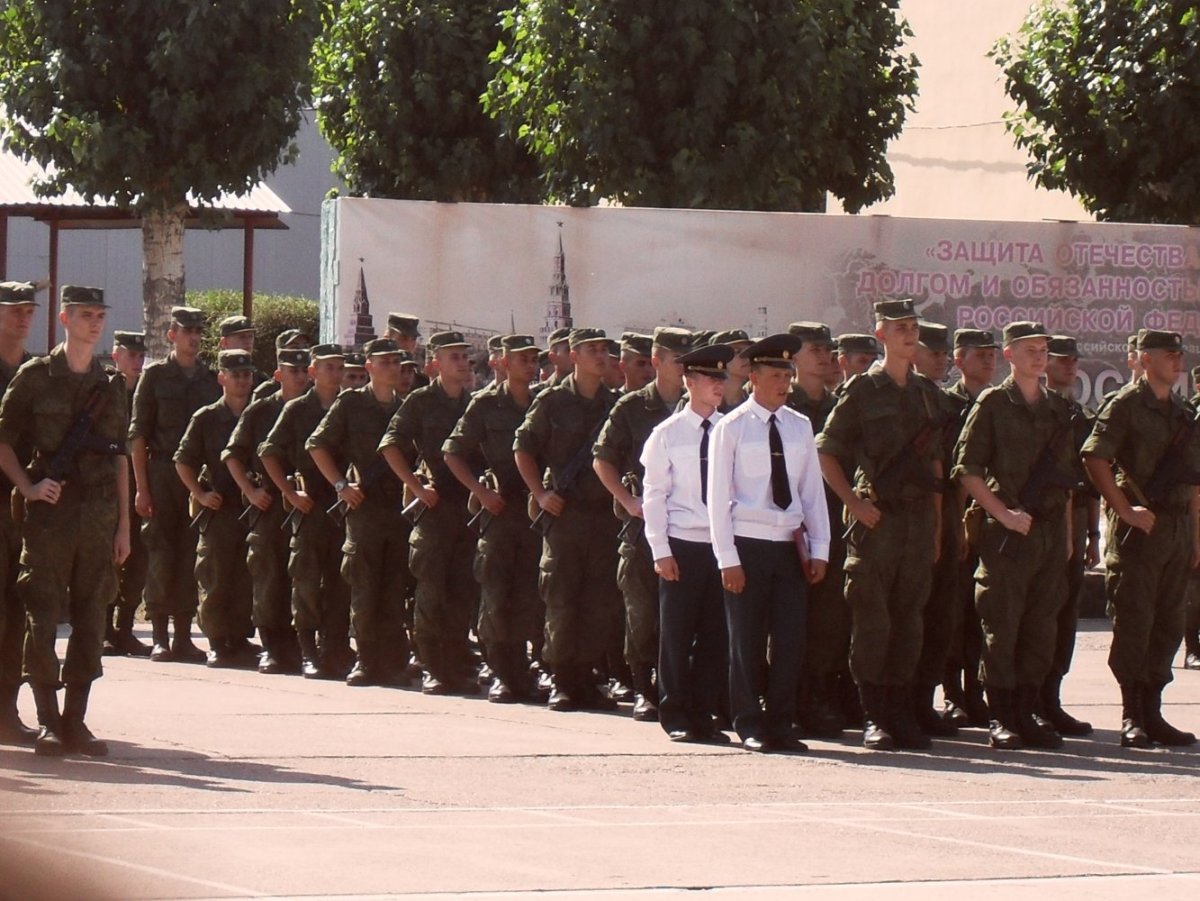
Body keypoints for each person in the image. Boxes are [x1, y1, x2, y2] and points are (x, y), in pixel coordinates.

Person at [0, 285, 130, 757]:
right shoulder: (36, 376)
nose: (94, 322)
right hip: (51, 517)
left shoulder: (112, 384)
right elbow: (4, 440)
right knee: (41, 615)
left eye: (99, 314)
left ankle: (77, 718)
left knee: (94, 614)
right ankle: (48, 719)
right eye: (85, 314)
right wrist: (27, 486)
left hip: (97, 516)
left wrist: (123, 527)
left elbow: (121, 458)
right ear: (64, 319)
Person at [817, 299, 945, 751]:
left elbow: (934, 465)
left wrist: (935, 528)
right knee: (873, 621)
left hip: (916, 521)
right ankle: (874, 716)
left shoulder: (928, 393)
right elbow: (827, 451)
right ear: (881, 335)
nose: (910, 334)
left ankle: (901, 712)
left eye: (913, 327)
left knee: (910, 620)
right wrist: (853, 502)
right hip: (878, 522)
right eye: (900, 327)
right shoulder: (862, 391)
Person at [953, 322, 1078, 750]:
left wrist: (1064, 537)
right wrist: (1003, 514)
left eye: (1043, 349)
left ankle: (1027, 711)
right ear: (1009, 354)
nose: (1039, 356)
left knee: (1041, 627)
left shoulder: (1057, 410)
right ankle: (1001, 716)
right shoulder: (993, 403)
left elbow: (1063, 482)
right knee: (1001, 627)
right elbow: (967, 471)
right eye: (1029, 349)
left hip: (1044, 534)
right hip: (1006, 536)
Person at [709, 333, 830, 753]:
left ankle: (781, 720)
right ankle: (749, 722)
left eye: (787, 374)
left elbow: (812, 493)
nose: (785, 382)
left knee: (790, 638)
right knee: (746, 639)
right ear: (753, 379)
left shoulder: (800, 426)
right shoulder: (732, 427)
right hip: (748, 543)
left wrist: (820, 550)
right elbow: (718, 498)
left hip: (787, 545)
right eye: (776, 375)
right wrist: (727, 558)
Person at [1082, 328, 1198, 748]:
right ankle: (1132, 713)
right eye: (1169, 354)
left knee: (1169, 623)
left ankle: (1154, 710)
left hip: (1177, 529)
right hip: (1139, 533)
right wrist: (1125, 509)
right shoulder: (1126, 405)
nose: (1177, 361)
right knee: (1135, 621)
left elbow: (1193, 482)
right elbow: (1095, 457)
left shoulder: (1183, 412)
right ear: (1145, 359)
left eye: (1179, 354)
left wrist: (1196, 537)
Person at [514, 327, 622, 711]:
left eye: (604, 350)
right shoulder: (553, 401)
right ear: (573, 356)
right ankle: (561, 678)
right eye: (591, 350)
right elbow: (523, 449)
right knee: (560, 598)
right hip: (566, 516)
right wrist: (540, 494)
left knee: (598, 601)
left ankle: (586, 677)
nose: (600, 356)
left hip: (603, 518)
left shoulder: (615, 404)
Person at [594, 327, 693, 721]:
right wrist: (627, 500)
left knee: (684, 613)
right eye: (676, 359)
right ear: (657, 361)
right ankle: (643, 686)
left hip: (688, 527)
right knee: (643, 612)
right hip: (643, 530)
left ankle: (679, 687)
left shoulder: (697, 406)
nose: (684, 367)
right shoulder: (632, 407)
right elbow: (603, 459)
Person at [641, 342, 736, 743]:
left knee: (717, 634)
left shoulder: (730, 429)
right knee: (677, 635)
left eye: (722, 378)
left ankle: (705, 711)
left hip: (721, 547)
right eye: (711, 379)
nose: (719, 386)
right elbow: (654, 494)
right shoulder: (667, 434)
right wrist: (660, 550)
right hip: (682, 544)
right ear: (690, 381)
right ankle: (676, 712)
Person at [444, 334, 544, 703]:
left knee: (531, 595)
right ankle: (503, 673)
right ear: (501, 362)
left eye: (534, 359)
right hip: (500, 511)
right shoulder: (485, 405)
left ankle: (526, 673)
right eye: (522, 359)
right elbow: (453, 453)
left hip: (534, 513)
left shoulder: (542, 402)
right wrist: (481, 492)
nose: (530, 365)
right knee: (497, 595)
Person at [380, 331, 480, 696]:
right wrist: (416, 486)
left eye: (464, 356)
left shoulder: (474, 403)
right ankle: (433, 667)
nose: (461, 363)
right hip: (435, 510)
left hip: (465, 511)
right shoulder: (421, 401)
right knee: (431, 594)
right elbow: (390, 445)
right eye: (453, 356)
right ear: (435, 363)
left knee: (461, 594)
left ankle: (455, 666)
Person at [307, 339, 412, 687]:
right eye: (384, 362)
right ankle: (366, 660)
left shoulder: (407, 406)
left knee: (395, 586)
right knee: (365, 586)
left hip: (398, 508)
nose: (392, 368)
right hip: (364, 508)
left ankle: (390, 659)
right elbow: (317, 445)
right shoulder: (352, 403)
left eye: (396, 362)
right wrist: (340, 485)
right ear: (368, 366)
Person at [129, 306, 221, 663]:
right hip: (163, 472)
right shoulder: (154, 378)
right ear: (172, 335)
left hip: (197, 476)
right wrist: (141, 486)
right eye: (187, 331)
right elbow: (138, 435)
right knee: (160, 553)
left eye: (198, 332)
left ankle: (184, 636)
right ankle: (160, 636)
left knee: (190, 556)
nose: (194, 338)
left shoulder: (209, 380)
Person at [259, 344, 352, 679]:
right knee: (307, 580)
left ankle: (336, 648)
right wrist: (289, 492)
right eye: (329, 367)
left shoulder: (349, 405)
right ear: (313, 372)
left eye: (340, 367)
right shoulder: (297, 409)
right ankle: (308, 651)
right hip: (311, 502)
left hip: (343, 504)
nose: (336, 373)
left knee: (342, 580)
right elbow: (268, 452)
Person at [784, 321, 854, 738]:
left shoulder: (840, 405)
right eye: (815, 350)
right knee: (789, 619)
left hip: (831, 524)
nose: (825, 356)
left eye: (828, 350)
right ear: (793, 357)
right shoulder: (780, 404)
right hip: (788, 528)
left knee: (830, 619)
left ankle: (822, 697)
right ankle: (787, 698)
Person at [223, 347, 312, 674]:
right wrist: (250, 490)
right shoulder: (260, 411)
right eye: (293, 371)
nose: (301, 376)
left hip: (306, 503)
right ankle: (272, 647)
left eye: (304, 370)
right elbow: (232, 454)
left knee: (304, 577)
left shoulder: (316, 408)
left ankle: (304, 647)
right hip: (271, 504)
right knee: (269, 578)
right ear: (278, 375)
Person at [174, 350, 258, 668]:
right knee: (216, 576)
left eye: (247, 375)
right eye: (235, 375)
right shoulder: (206, 417)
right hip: (220, 506)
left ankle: (239, 638)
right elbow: (182, 462)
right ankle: (217, 642)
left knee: (246, 576)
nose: (241, 381)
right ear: (222, 378)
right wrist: (199, 493)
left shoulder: (258, 413)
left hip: (252, 507)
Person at [940, 328, 999, 727]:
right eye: (979, 355)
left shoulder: (1000, 404)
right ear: (959, 360)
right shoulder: (946, 404)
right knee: (953, 610)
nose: (988, 360)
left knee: (985, 612)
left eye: (992, 354)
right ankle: (953, 693)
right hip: (953, 516)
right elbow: (950, 468)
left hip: (993, 519)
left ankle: (977, 692)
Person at [1042, 335, 1099, 734]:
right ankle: (1015, 702)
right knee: (1034, 615)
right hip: (1038, 519)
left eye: (1073, 360)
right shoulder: (1027, 409)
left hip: (1076, 521)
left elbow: (1089, 481)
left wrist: (1094, 535)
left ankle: (1051, 698)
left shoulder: (1078, 415)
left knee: (1064, 617)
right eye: (1061, 359)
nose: (1069, 366)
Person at [910, 321, 962, 737]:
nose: (941, 358)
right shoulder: (882, 396)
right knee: (902, 618)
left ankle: (923, 702)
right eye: (933, 351)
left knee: (939, 618)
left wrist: (949, 528)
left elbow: (950, 472)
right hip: (899, 522)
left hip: (939, 520)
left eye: (945, 352)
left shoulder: (942, 404)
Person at [0, 281, 38, 745]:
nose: (24, 317)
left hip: (24, 509)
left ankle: (7, 706)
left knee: (19, 607)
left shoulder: (37, 372)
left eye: (29, 310)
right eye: (14, 310)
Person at [103, 330, 151, 657]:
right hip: (109, 482)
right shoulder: (104, 388)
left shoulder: (146, 392)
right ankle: (103, 628)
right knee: (108, 556)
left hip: (140, 482)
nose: (136, 361)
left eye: (140, 356)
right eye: (130, 355)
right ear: (115, 354)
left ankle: (125, 628)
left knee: (138, 556)